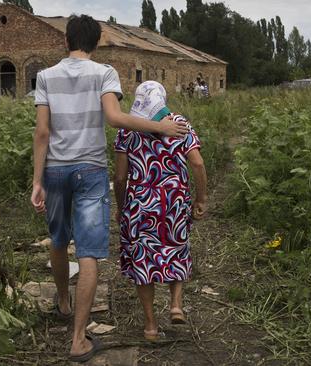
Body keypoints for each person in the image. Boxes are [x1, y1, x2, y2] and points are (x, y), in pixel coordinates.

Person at [31, 15, 189, 363]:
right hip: (90, 170)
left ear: (66, 40)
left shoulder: (45, 76)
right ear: (98, 42)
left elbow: (42, 132)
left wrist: (37, 179)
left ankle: (62, 301)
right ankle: (78, 340)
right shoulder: (104, 73)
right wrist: (159, 126)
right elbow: (115, 118)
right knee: (88, 253)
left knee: (58, 240)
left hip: (55, 169)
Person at [113, 81, 208, 341]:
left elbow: (120, 178)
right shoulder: (179, 123)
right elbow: (197, 164)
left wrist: (122, 208)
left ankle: (151, 326)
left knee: (144, 261)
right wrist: (201, 198)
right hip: (174, 201)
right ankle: (175, 304)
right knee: (177, 248)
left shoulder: (128, 128)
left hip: (141, 203)